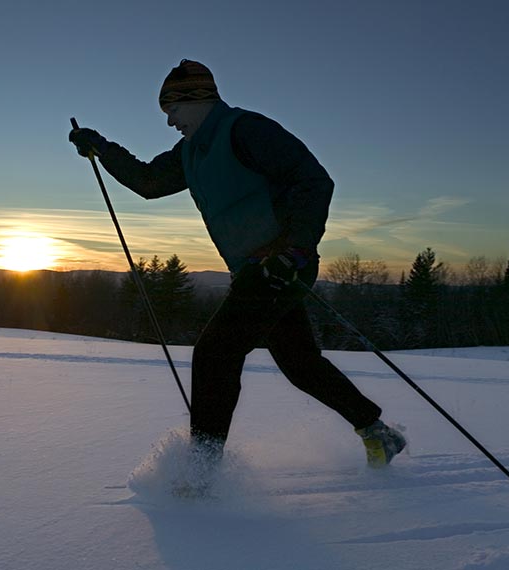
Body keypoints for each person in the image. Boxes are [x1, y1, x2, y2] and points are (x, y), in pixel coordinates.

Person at [69, 59, 405, 469]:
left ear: (199, 99)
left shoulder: (246, 130)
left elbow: (313, 180)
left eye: (173, 109)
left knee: (215, 353)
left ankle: (203, 471)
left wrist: (294, 250)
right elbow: (150, 182)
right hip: (253, 270)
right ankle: (377, 432)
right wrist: (102, 148)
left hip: (282, 264)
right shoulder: (191, 151)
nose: (170, 121)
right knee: (300, 364)